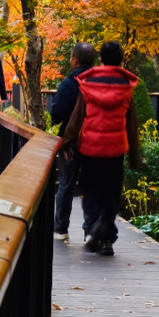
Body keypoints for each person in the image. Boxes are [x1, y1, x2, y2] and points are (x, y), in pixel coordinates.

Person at [62, 40, 139, 257]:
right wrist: (134, 152)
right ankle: (106, 238)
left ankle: (92, 230)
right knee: (111, 193)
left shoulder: (88, 82)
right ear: (120, 60)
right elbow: (131, 122)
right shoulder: (126, 86)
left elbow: (78, 116)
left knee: (89, 189)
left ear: (101, 59)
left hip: (91, 148)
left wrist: (67, 141)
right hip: (115, 150)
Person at [51, 42, 97, 241]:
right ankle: (90, 230)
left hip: (71, 141)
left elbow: (57, 114)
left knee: (66, 184)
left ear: (75, 59)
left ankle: (61, 229)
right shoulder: (101, 82)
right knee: (92, 186)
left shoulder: (69, 84)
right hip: (96, 140)